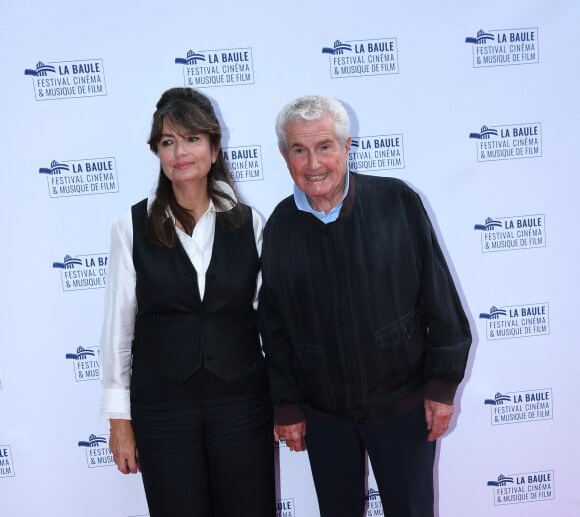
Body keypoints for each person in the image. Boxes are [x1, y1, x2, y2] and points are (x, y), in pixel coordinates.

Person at [258, 95, 472, 517]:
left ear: (346, 147)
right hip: (325, 417)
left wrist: (443, 387)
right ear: (285, 157)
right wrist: (286, 404)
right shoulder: (280, 226)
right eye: (299, 150)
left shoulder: (397, 202)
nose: (313, 163)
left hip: (404, 406)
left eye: (324, 147)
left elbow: (438, 296)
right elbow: (274, 324)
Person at [99, 87, 275, 517]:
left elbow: (272, 320)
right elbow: (118, 329)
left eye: (192, 138)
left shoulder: (249, 222)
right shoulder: (131, 226)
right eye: (167, 141)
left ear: (214, 149)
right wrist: (119, 420)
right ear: (157, 151)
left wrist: (284, 398)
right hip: (163, 410)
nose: (180, 152)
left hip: (241, 403)